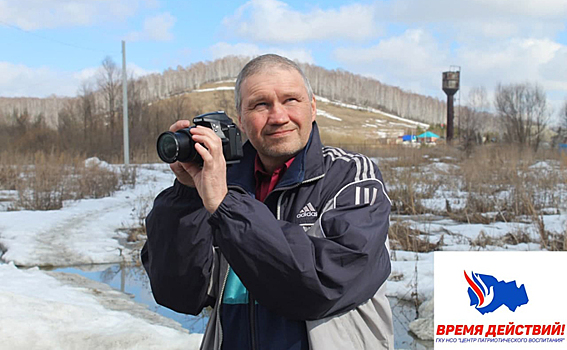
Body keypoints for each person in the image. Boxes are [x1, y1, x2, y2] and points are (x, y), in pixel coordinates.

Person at [142, 54, 394, 350]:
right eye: (260, 104)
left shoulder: (351, 176)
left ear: (312, 108)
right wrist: (187, 195)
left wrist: (226, 206)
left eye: (291, 100)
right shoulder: (222, 182)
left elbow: (322, 285)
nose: (278, 116)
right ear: (240, 119)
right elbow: (178, 293)